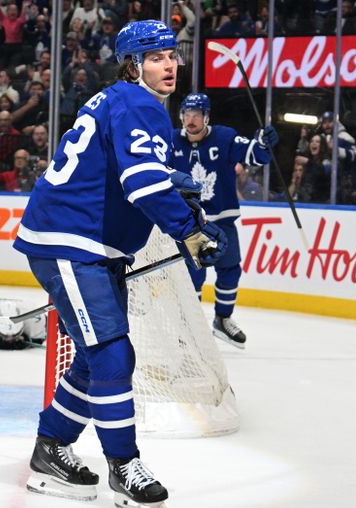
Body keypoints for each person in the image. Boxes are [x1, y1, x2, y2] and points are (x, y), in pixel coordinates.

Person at [13, 20, 227, 506]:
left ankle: (51, 449)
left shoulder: (119, 99)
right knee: (112, 355)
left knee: (97, 357)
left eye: (172, 54)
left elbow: (126, 167)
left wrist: (173, 184)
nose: (169, 64)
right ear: (133, 65)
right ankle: (122, 465)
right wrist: (189, 231)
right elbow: (141, 184)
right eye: (155, 57)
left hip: (79, 240)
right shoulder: (139, 103)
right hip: (71, 241)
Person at [171, 92, 278, 349]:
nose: (191, 120)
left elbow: (256, 155)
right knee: (194, 276)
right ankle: (190, 328)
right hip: (192, 224)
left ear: (207, 117)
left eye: (197, 115)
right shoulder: (172, 141)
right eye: (187, 114)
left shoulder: (225, 137)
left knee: (230, 270)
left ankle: (222, 319)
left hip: (223, 220)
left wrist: (263, 143)